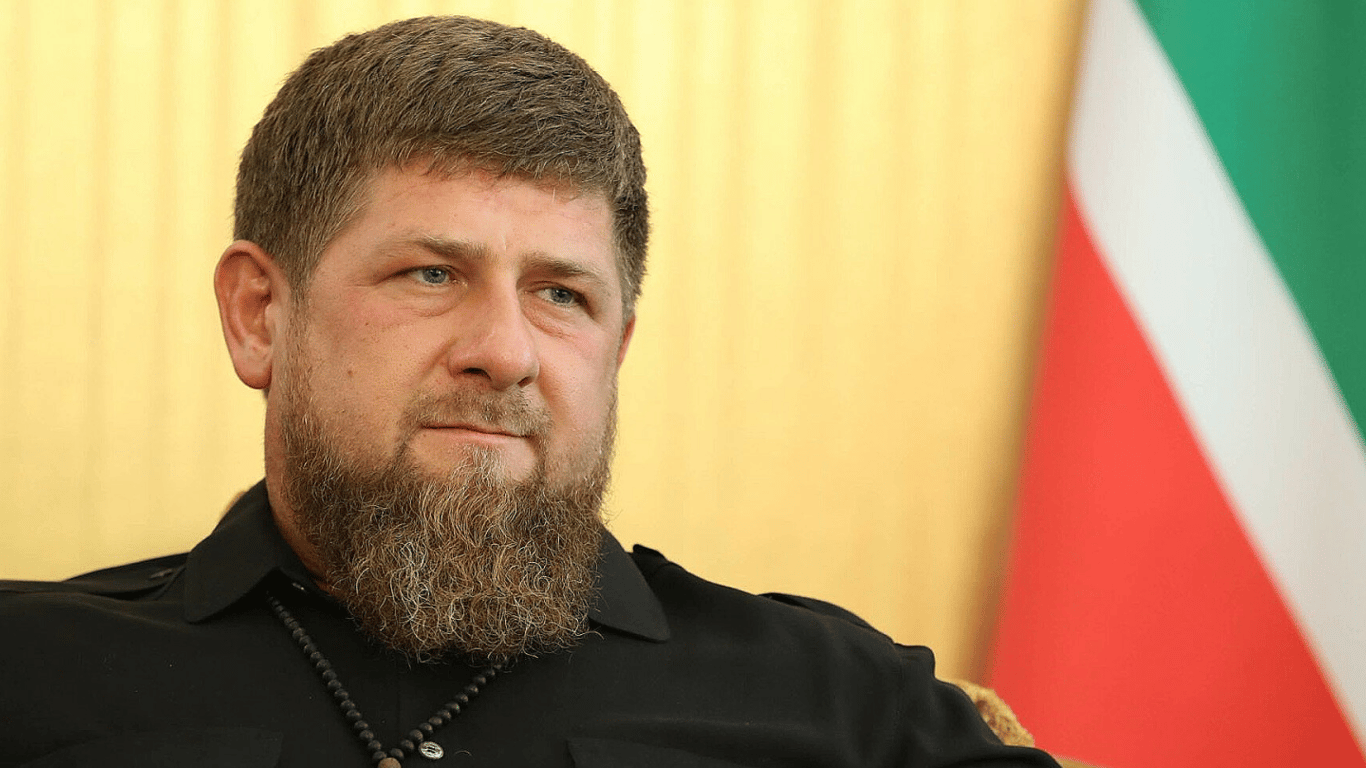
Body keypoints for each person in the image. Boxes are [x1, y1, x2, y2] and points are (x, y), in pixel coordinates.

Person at [1, 16, 1059, 768]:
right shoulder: (29, 676)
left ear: (617, 348)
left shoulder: (845, 707)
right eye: (431, 274)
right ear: (259, 315)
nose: (506, 352)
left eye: (562, 295)